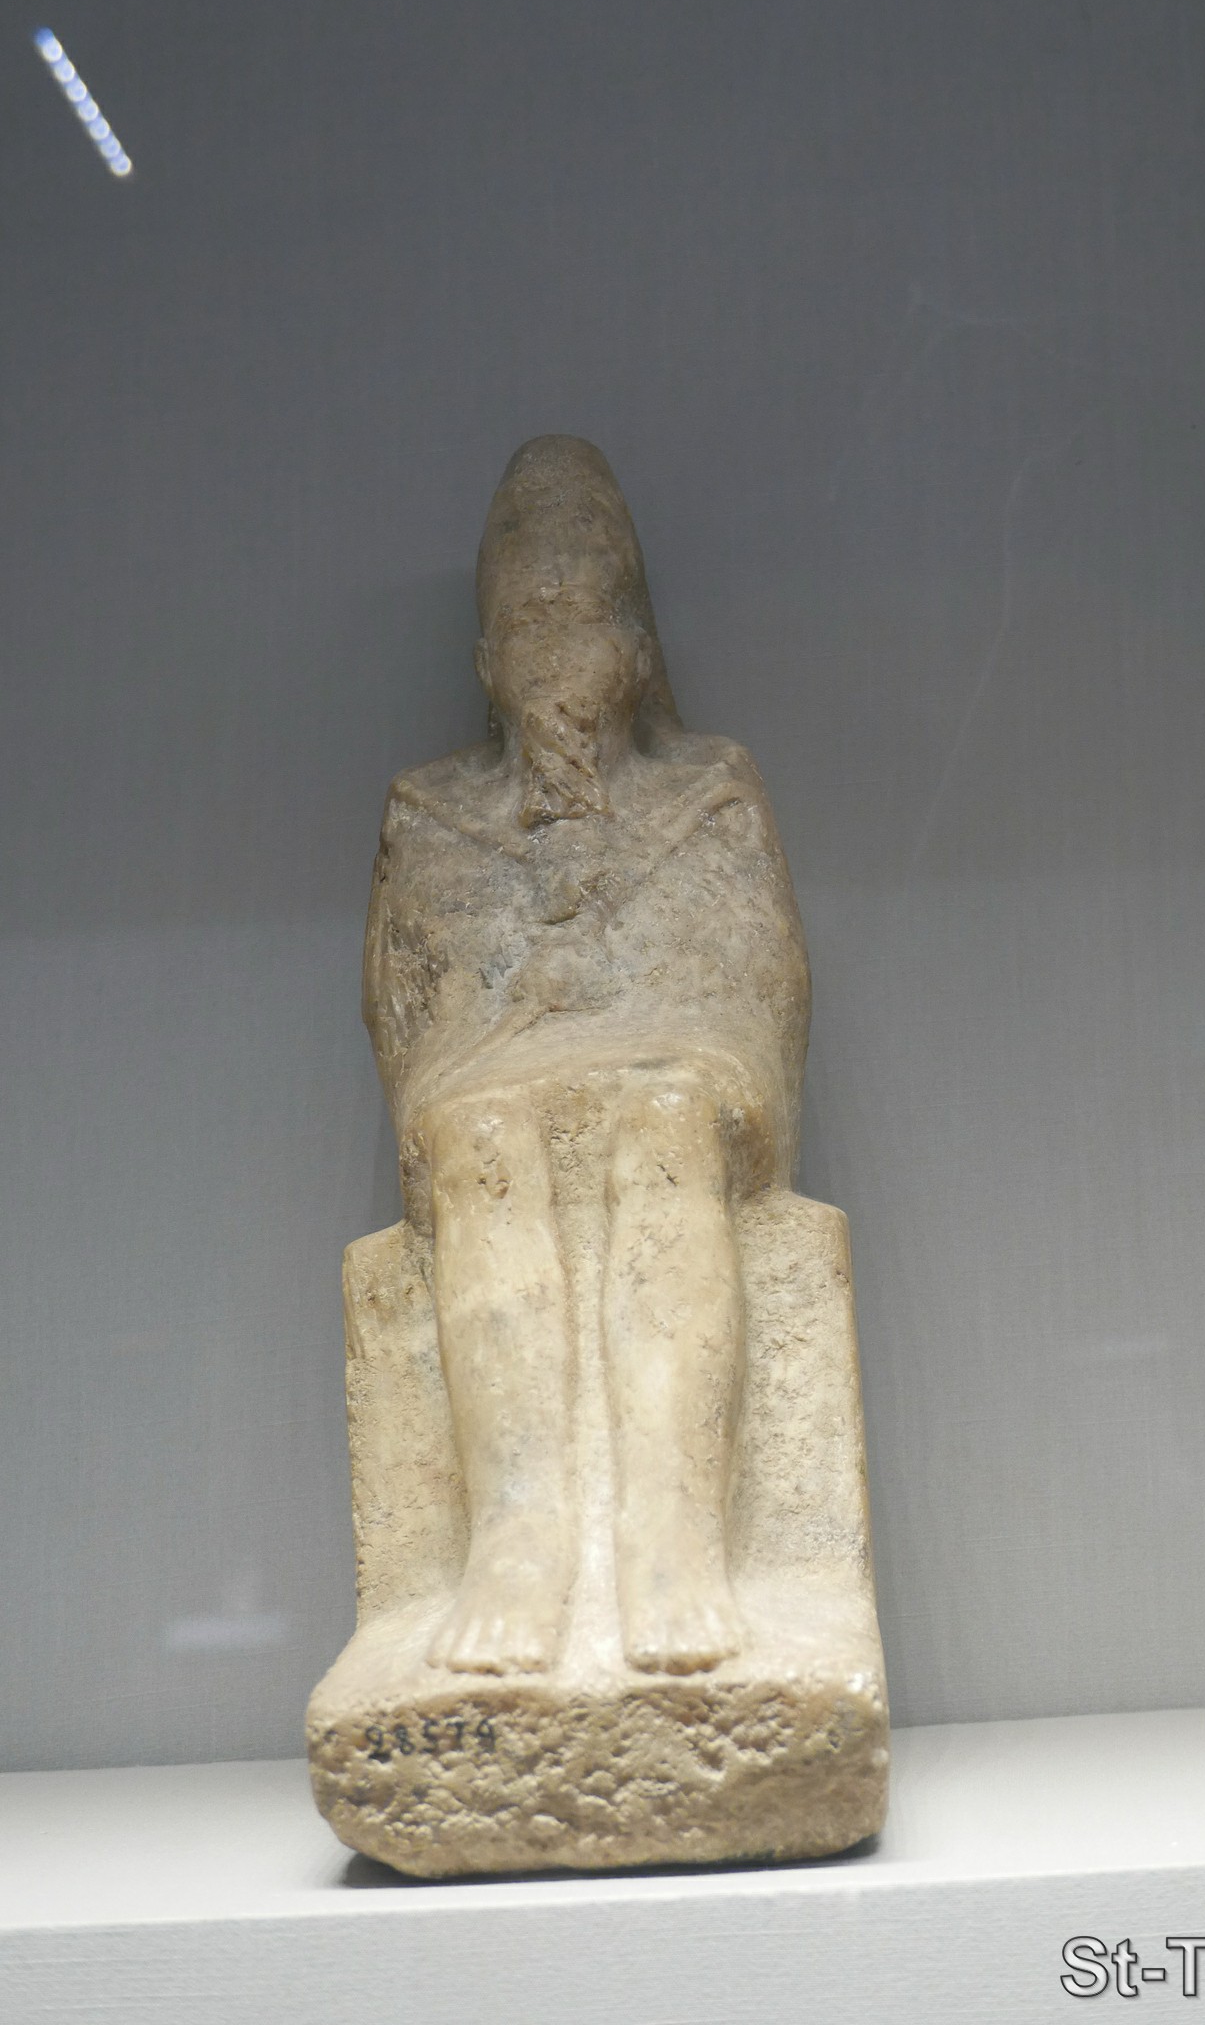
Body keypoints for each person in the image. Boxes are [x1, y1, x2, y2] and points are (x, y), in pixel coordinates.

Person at [363, 436, 810, 1677]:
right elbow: (411, 1029)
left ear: (640, 650)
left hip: (679, 1078)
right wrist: (517, 1033)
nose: (555, 650)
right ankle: (518, 1534)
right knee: (478, 1143)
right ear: (484, 662)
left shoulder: (709, 793)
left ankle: (672, 1532)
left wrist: (660, 1050)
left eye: (582, 617)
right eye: (527, 621)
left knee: (666, 1123)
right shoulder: (430, 817)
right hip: (488, 1095)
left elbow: (760, 1000)